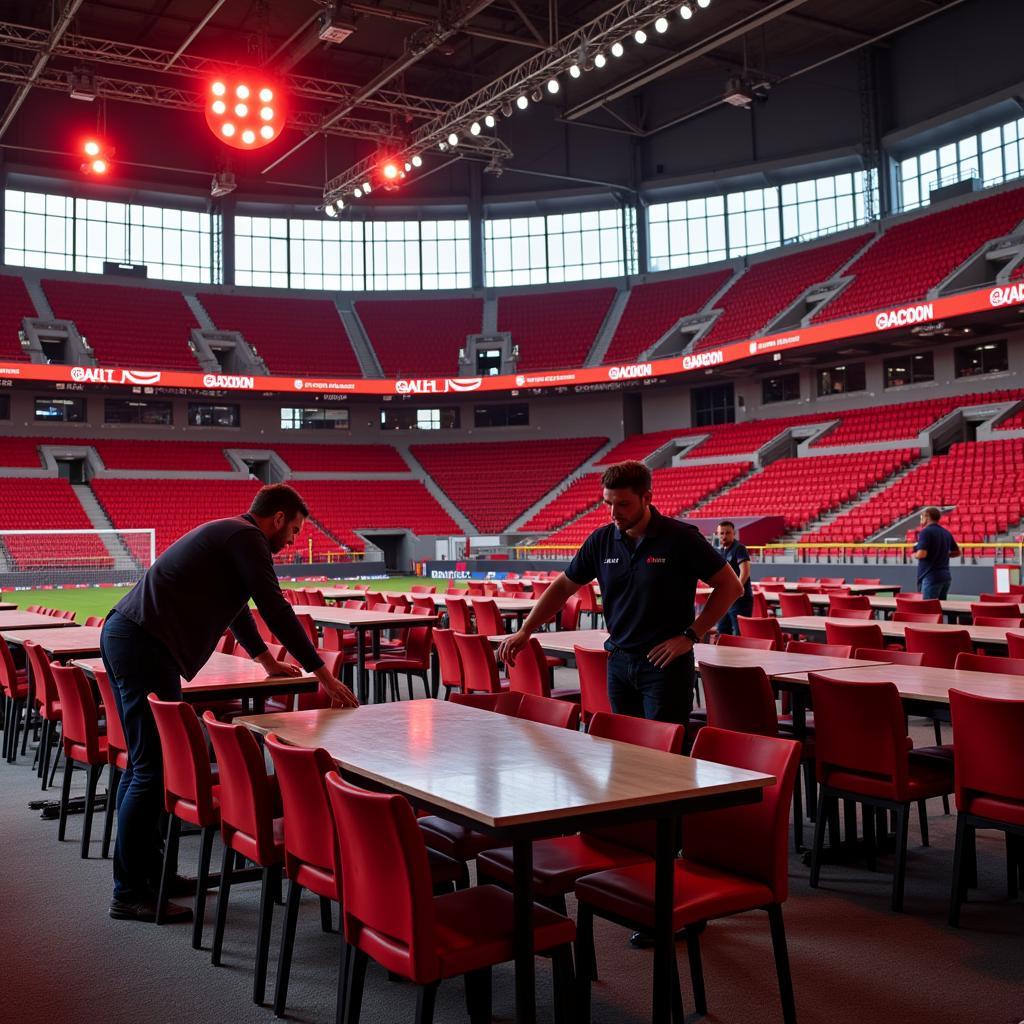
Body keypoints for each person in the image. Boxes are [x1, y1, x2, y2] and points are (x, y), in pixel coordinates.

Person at [101, 483, 358, 923]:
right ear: (277, 518)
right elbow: (274, 608)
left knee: (147, 766)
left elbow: (236, 609)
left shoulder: (232, 537)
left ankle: (151, 875)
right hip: (144, 644)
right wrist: (324, 675)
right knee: (150, 769)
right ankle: (129, 891)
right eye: (294, 530)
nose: (293, 540)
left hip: (135, 639)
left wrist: (265, 661)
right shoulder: (247, 538)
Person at [498, 460, 742, 724]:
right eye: (608, 503)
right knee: (625, 753)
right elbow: (563, 587)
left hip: (665, 667)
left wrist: (691, 635)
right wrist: (526, 630)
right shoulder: (601, 540)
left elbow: (731, 586)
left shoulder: (681, 538)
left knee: (665, 759)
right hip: (618, 662)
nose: (614, 513)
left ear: (646, 498)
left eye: (623, 504)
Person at [913, 506, 960, 600]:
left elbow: (922, 554)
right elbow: (957, 552)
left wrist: (914, 554)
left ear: (927, 517)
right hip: (945, 577)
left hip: (930, 576)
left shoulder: (925, 532)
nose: (921, 520)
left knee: (928, 610)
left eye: (922, 517)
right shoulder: (946, 532)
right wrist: (942, 555)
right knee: (940, 609)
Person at [713, 520, 752, 634]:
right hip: (726, 599)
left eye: (727, 533)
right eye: (721, 533)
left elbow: (745, 571)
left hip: (740, 599)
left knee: (740, 633)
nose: (724, 536)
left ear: (733, 533)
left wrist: (737, 588)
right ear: (717, 534)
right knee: (722, 631)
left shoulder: (739, 548)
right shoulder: (720, 551)